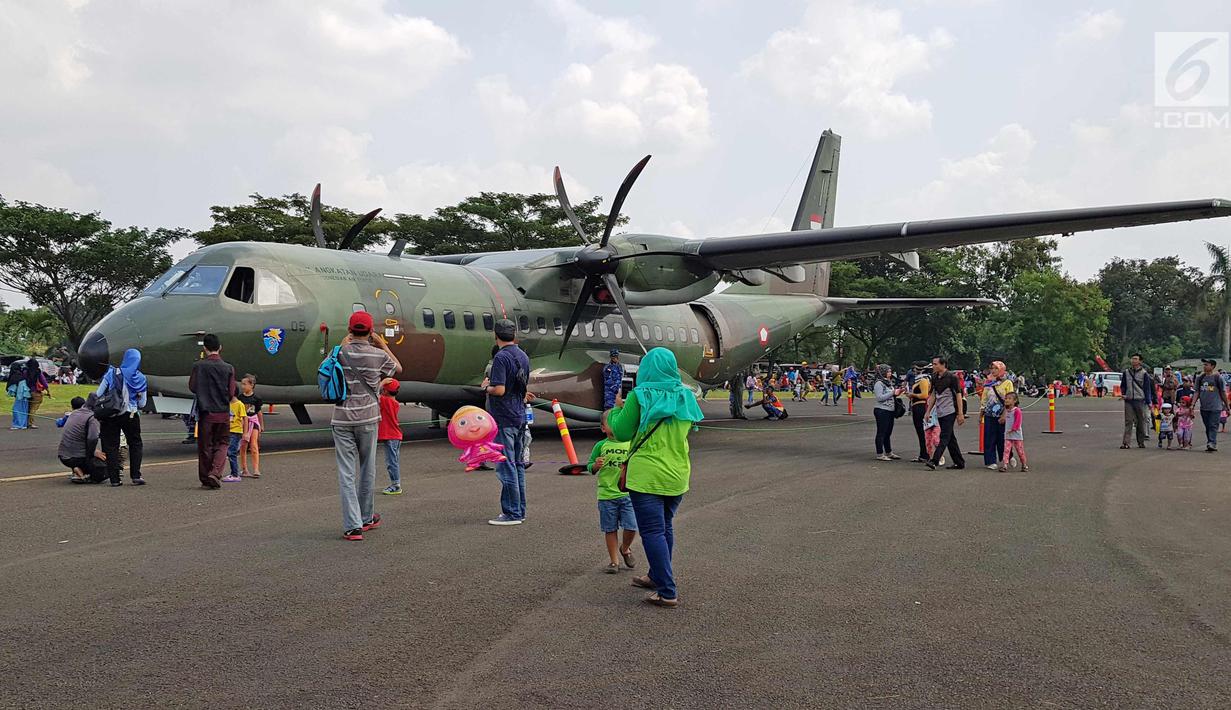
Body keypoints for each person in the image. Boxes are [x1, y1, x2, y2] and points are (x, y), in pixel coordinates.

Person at [608, 347, 703, 608]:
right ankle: (656, 575)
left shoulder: (639, 395)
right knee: (665, 527)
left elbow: (620, 432)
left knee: (652, 531)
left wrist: (617, 409)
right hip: (677, 473)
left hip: (647, 474)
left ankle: (667, 590)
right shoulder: (686, 395)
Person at [333, 311, 401, 540]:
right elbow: (397, 369)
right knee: (367, 469)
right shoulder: (377, 355)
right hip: (369, 418)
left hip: (342, 418)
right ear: (371, 332)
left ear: (350, 330)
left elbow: (324, 369)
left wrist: (343, 343)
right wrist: (383, 345)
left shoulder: (339, 352)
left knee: (346, 472)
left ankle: (353, 526)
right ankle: (366, 517)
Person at [481, 319, 530, 526]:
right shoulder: (523, 355)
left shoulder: (501, 357)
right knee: (518, 464)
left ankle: (511, 512)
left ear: (496, 335)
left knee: (505, 465)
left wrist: (486, 387)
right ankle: (520, 509)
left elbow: (499, 389)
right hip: (519, 414)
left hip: (503, 418)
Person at [588, 410, 637, 574]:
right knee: (610, 529)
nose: (615, 425)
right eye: (611, 422)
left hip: (627, 494)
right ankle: (614, 561)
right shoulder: (600, 446)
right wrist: (595, 465)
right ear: (603, 428)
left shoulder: (630, 442)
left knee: (631, 526)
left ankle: (625, 548)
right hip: (606, 495)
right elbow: (589, 466)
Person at [189, 334, 236, 489]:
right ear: (220, 348)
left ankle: (205, 478)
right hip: (222, 413)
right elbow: (231, 392)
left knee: (205, 446)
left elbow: (193, 387)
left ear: (204, 348)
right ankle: (215, 472)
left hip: (206, 413)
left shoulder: (198, 366)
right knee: (223, 443)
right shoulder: (228, 368)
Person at [96, 348, 148, 487]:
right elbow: (143, 403)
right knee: (135, 443)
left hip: (111, 414)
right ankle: (136, 475)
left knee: (111, 445)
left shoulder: (111, 373)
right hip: (130, 413)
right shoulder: (140, 378)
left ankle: (114, 479)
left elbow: (99, 392)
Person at [924, 356, 966, 470]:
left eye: (935, 364)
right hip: (940, 411)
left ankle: (934, 460)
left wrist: (960, 413)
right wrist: (928, 411)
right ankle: (959, 462)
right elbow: (933, 395)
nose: (933, 366)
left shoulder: (952, 378)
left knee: (944, 436)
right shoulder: (934, 377)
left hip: (950, 411)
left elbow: (958, 395)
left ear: (943, 365)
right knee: (950, 438)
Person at [58, 394, 107, 484]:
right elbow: (93, 438)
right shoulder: (92, 417)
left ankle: (77, 468)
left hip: (63, 455)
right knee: (104, 467)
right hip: (76, 456)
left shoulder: (74, 413)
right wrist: (93, 452)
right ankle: (82, 473)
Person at [981, 361, 1015, 470]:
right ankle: (990, 460)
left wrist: (1005, 414)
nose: (993, 370)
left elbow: (1010, 399)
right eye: (991, 368)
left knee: (1003, 438)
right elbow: (984, 398)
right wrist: (981, 412)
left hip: (1003, 413)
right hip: (990, 413)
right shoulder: (988, 382)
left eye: (996, 368)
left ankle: (1008, 456)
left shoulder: (1007, 383)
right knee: (989, 438)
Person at [1193, 358, 1229, 453]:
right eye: (1204, 365)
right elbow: (1197, 392)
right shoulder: (1200, 378)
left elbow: (1223, 392)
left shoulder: (1218, 378)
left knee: (1213, 425)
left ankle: (1212, 443)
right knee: (1208, 426)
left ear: (1212, 366)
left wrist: (1227, 406)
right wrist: (1192, 404)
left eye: (1207, 365)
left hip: (1216, 407)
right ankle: (1211, 442)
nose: (1204, 366)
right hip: (1204, 407)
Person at [1119, 353, 1155, 449]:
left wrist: (1149, 402)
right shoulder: (1126, 372)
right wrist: (1123, 393)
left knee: (1140, 422)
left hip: (1140, 400)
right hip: (1129, 400)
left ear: (1140, 361)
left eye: (1136, 359)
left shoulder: (1144, 374)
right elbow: (1123, 385)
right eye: (1132, 359)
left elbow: (1147, 389)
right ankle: (1126, 443)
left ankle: (1141, 441)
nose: (1133, 360)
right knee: (1128, 421)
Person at [378, 378, 403, 495]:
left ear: (386, 391)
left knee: (391, 461)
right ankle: (395, 484)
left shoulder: (386, 401)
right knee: (393, 460)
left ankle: (396, 485)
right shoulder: (394, 402)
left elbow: (373, 395)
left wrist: (381, 383)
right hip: (395, 436)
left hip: (391, 436)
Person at [872, 364, 902, 461]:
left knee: (888, 432)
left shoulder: (888, 383)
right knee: (881, 432)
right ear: (883, 372)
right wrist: (892, 393)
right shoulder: (879, 383)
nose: (890, 373)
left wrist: (898, 392)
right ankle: (880, 453)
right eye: (888, 371)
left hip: (889, 410)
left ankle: (889, 452)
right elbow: (880, 397)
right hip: (882, 410)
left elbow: (890, 395)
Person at [238, 374, 263, 478]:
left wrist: (261, 425)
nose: (243, 386)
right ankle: (244, 469)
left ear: (251, 385)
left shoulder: (257, 398)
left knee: (253, 445)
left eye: (245, 384)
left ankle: (256, 469)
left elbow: (259, 412)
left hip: (253, 422)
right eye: (242, 384)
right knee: (243, 446)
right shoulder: (240, 398)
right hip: (244, 423)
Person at [999, 391, 1029, 472]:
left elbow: (1018, 422)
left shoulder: (1017, 410)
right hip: (1008, 434)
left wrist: (1013, 429)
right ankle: (1004, 465)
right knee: (1006, 450)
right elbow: (1004, 419)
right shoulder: (1007, 410)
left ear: (1015, 401)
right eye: (1006, 398)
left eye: (1009, 398)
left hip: (1016, 435)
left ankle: (1024, 464)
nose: (1007, 400)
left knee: (1020, 450)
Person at [909, 365, 932, 462]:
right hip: (916, 405)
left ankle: (925, 454)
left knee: (922, 431)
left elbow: (924, 394)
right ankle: (924, 453)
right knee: (920, 432)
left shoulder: (923, 380)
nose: (914, 371)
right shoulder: (920, 380)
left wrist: (912, 394)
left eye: (916, 369)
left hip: (920, 406)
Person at [222, 396, 246, 483]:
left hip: (236, 431)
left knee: (231, 452)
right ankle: (234, 473)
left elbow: (244, 418)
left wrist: (245, 432)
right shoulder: (227, 404)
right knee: (228, 451)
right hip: (228, 430)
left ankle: (235, 474)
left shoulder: (240, 404)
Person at [24, 357, 50, 428]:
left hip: (27, 392)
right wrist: (48, 391)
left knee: (28, 408)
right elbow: (44, 382)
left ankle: (25, 422)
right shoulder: (38, 372)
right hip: (36, 392)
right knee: (33, 408)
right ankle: (30, 423)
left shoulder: (26, 372)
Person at [6, 359, 31, 430]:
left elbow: (12, 389)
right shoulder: (22, 375)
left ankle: (17, 425)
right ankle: (23, 424)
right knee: (24, 410)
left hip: (20, 396)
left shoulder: (15, 376)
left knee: (16, 410)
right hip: (25, 395)